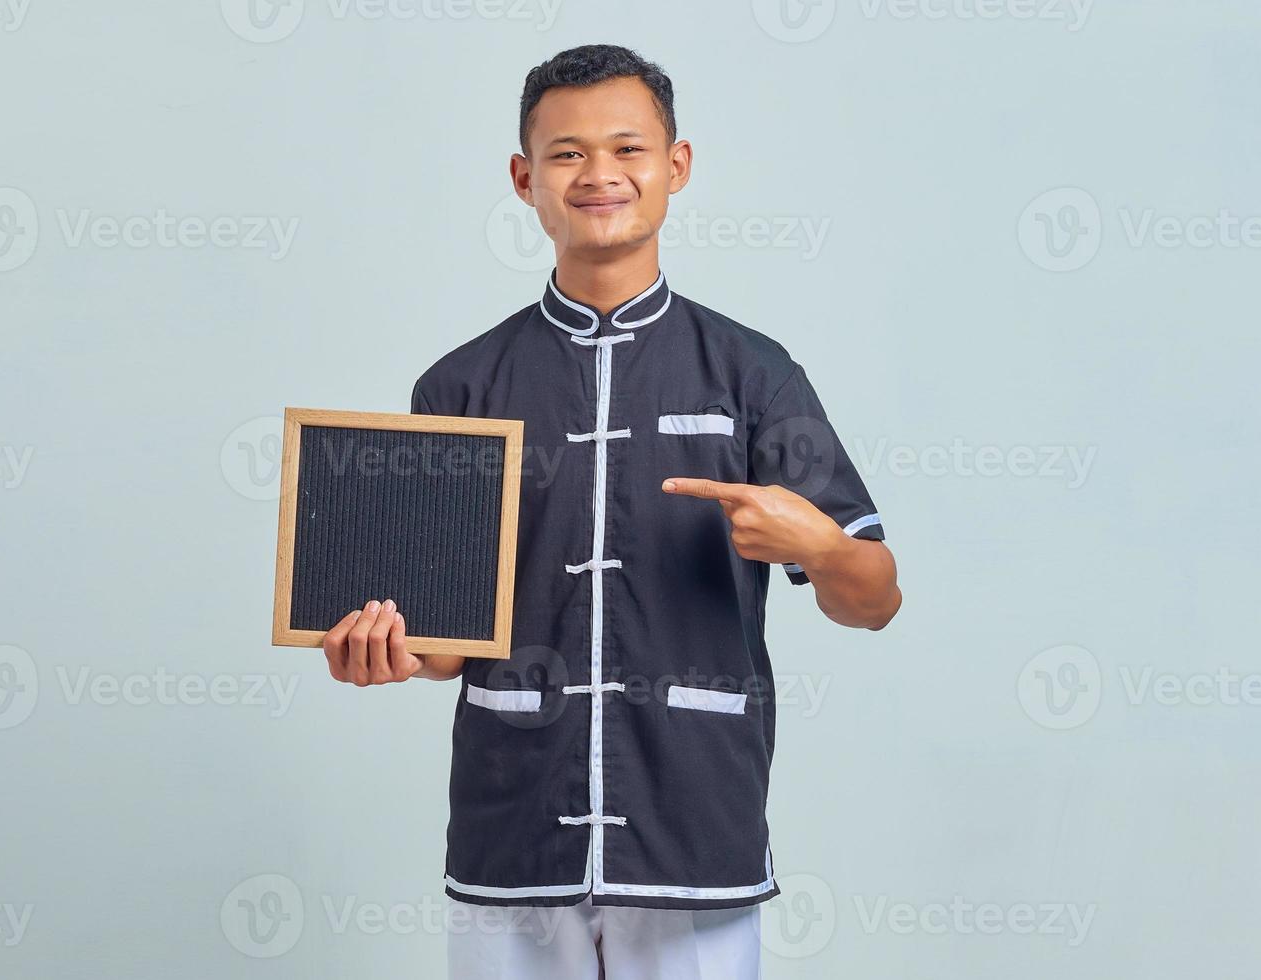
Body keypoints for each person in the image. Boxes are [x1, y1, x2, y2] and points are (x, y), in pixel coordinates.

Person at [320, 43, 902, 980]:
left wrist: (822, 546)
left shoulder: (754, 374)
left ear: (675, 167)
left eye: (627, 149)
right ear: (524, 179)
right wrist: (385, 650)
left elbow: (874, 597)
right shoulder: (462, 385)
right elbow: (447, 642)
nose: (599, 175)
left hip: (694, 823)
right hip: (513, 827)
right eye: (566, 153)